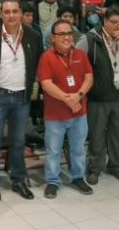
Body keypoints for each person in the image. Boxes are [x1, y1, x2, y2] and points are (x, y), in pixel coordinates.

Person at [0, 0, 43, 201]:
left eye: (15, 11)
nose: (11, 15)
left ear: (21, 13)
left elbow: (37, 62)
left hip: (22, 97)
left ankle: (18, 180)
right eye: (7, 12)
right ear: (1, 14)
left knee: (18, 141)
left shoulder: (33, 36)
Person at [37, 20, 94, 198]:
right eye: (61, 34)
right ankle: (53, 181)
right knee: (53, 151)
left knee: (78, 148)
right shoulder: (46, 57)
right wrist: (68, 99)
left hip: (79, 113)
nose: (66, 37)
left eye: (69, 33)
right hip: (55, 115)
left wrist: (78, 95)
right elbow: (46, 84)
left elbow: (89, 77)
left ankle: (78, 177)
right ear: (53, 38)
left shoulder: (80, 55)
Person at [79, 9, 119, 185]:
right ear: (104, 21)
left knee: (117, 135)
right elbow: (76, 61)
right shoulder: (90, 39)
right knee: (96, 136)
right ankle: (94, 168)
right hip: (98, 98)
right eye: (114, 22)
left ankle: (115, 165)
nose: (118, 26)